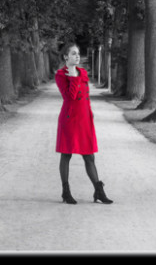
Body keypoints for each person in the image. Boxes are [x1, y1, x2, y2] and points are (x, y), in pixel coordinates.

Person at [54, 42, 112, 205]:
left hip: (84, 120)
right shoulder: (60, 75)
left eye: (78, 53)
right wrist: (72, 76)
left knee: (89, 156)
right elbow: (70, 97)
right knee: (66, 154)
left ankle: (98, 191)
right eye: (73, 53)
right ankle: (66, 192)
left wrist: (90, 114)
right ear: (65, 56)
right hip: (69, 120)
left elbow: (86, 97)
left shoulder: (83, 72)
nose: (77, 56)